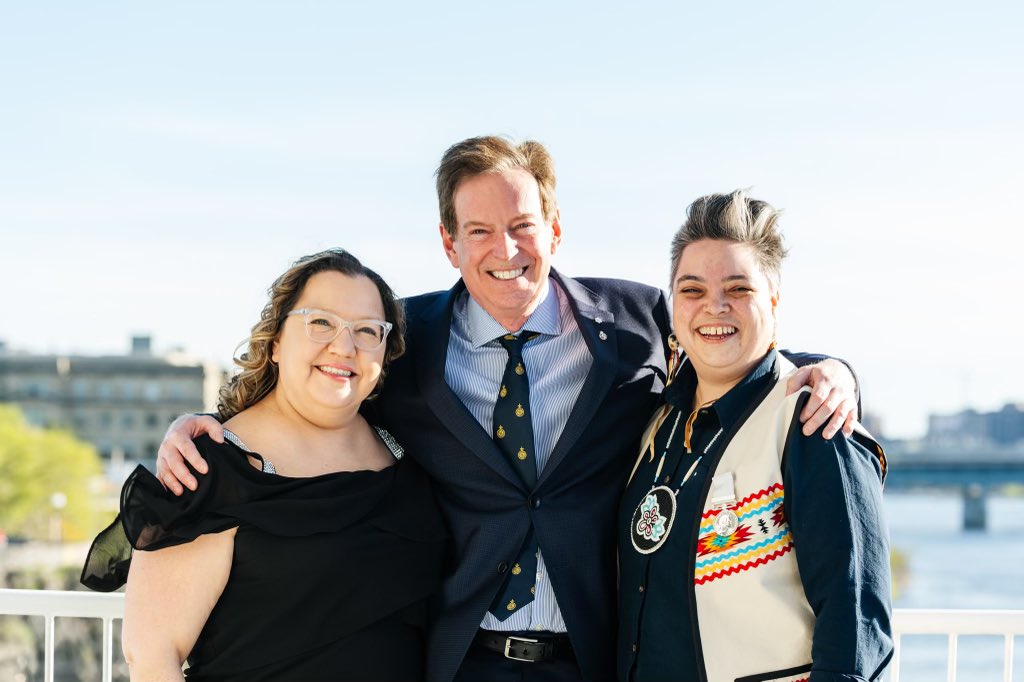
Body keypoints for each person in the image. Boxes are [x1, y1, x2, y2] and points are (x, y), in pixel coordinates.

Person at [155, 137, 861, 682]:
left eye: (522, 225)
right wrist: (210, 425)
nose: (505, 250)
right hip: (457, 655)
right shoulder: (406, 339)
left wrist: (833, 372)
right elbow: (319, 388)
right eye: (480, 231)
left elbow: (728, 340)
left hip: (595, 655)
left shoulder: (638, 318)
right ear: (449, 242)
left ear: (555, 228)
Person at [81, 249, 446, 681]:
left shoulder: (406, 452)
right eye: (321, 322)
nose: (344, 346)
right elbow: (152, 656)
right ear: (276, 342)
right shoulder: (205, 467)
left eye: (367, 330)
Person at [618, 191, 892, 682]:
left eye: (739, 288)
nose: (714, 307)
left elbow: (856, 627)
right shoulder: (655, 426)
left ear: (774, 301)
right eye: (692, 290)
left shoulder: (815, 423)